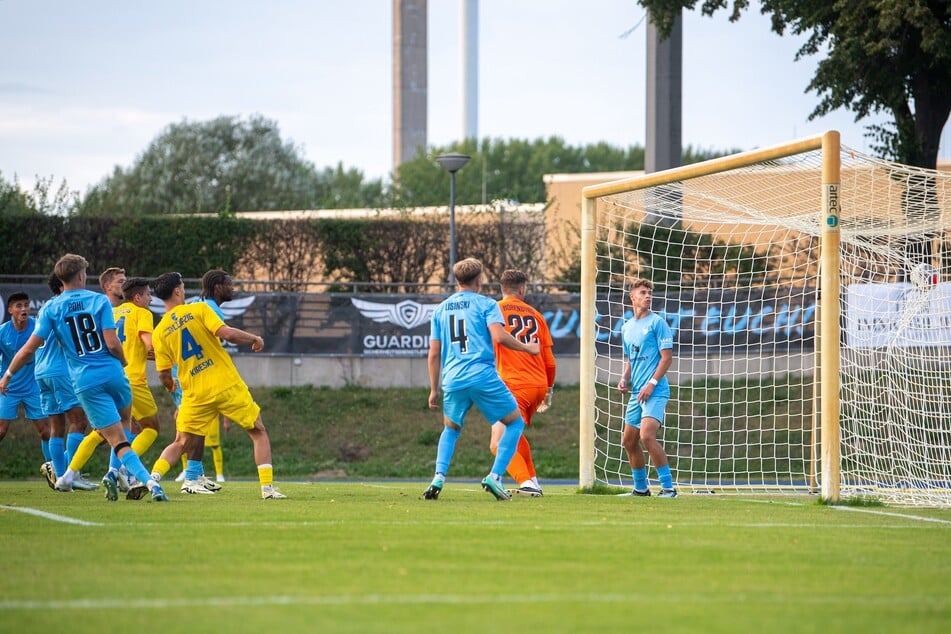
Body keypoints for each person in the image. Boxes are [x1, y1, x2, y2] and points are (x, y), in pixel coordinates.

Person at [0, 253, 168, 502]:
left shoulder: (51, 308)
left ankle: (77, 477)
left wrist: (8, 375)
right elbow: (112, 343)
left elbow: (28, 349)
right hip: (113, 373)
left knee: (112, 437)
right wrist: (122, 361)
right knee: (126, 427)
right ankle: (125, 477)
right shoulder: (99, 301)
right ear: (81, 275)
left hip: (84, 380)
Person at [143, 271, 285, 499]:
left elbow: (163, 374)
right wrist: (254, 338)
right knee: (258, 431)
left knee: (180, 442)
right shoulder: (199, 309)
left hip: (194, 393)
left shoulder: (159, 332)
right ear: (178, 291)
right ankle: (267, 489)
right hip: (224, 384)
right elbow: (226, 334)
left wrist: (171, 385)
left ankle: (152, 480)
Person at [423, 258, 540, 501]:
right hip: (483, 375)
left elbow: (434, 353)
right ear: (479, 280)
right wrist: (527, 348)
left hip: (453, 379)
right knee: (514, 424)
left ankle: (438, 477)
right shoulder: (487, 304)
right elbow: (499, 337)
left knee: (451, 428)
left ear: (456, 281)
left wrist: (434, 389)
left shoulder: (441, 309)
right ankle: (495, 477)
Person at [490, 269, 557, 497]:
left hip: (513, 384)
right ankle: (533, 481)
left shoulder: (494, 310)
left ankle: (525, 483)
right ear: (522, 289)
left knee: (497, 442)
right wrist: (547, 390)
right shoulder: (537, 315)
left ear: (502, 288)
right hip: (537, 385)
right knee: (515, 433)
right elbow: (550, 362)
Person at [34, 273, 98, 491]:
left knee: (56, 427)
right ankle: (72, 473)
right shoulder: (63, 307)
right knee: (79, 421)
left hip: (41, 371)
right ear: (64, 285)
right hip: (60, 370)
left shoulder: (45, 307)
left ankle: (61, 476)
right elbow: (67, 341)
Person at [616, 278, 677, 498]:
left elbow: (666, 358)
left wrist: (651, 384)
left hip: (656, 391)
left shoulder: (658, 323)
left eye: (649, 292)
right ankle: (641, 489)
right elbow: (631, 359)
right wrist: (624, 378)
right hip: (637, 393)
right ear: (632, 297)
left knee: (647, 436)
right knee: (628, 441)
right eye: (643, 292)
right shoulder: (626, 328)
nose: (648, 296)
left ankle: (669, 488)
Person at [0, 292, 52, 467]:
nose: (24, 309)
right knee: (1, 431)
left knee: (46, 432)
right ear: (10, 310)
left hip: (34, 387)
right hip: (8, 389)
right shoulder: (3, 332)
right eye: (19, 306)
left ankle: (55, 471)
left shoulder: (38, 328)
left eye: (26, 305)